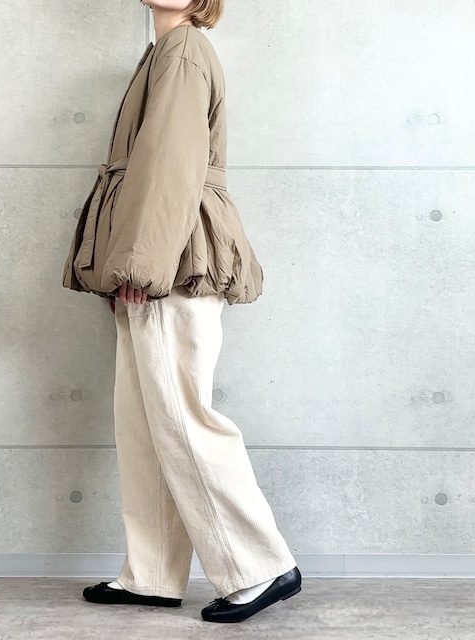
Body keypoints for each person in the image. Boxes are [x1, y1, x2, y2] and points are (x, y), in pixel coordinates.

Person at [62, 0, 302, 624]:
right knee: (146, 422)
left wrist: (141, 263)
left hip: (171, 259)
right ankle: (151, 574)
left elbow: (171, 163)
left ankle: (259, 566)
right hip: (160, 255)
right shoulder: (165, 51)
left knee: (180, 415)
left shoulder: (185, 50)